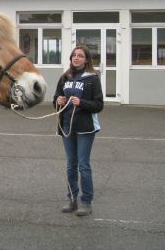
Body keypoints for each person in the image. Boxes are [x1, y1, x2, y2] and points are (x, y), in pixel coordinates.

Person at [53, 45, 104, 216]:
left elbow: (98, 105)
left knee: (83, 165)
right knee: (70, 164)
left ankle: (86, 201)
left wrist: (80, 102)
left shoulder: (92, 79)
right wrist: (58, 100)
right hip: (67, 126)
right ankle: (72, 198)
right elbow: (55, 100)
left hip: (85, 128)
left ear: (87, 59)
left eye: (80, 55)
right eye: (74, 55)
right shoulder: (64, 77)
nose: (76, 58)